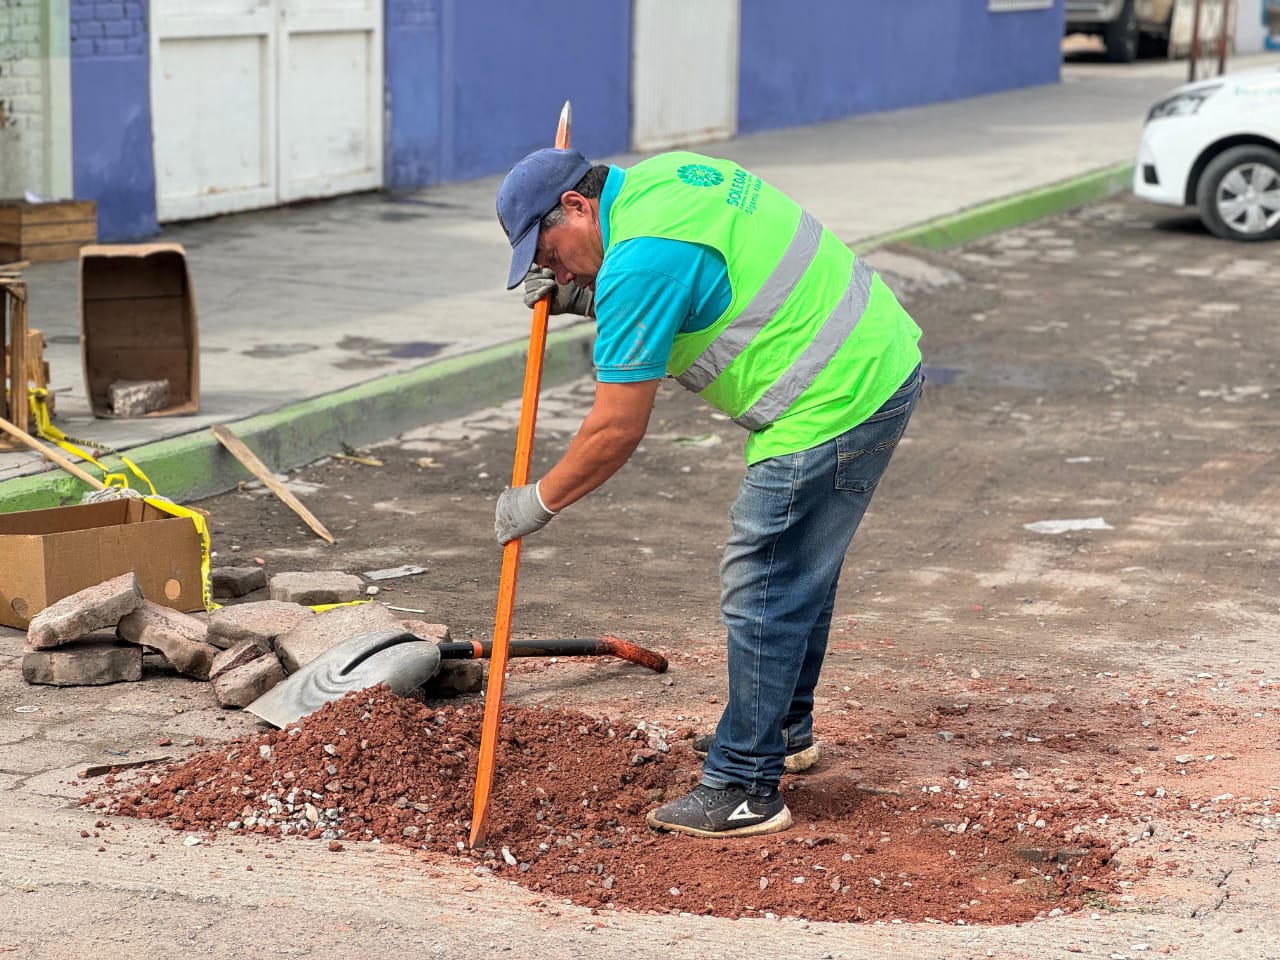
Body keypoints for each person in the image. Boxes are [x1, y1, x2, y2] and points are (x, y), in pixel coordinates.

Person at [493, 147, 923, 838]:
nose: (554, 271)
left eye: (549, 252)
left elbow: (614, 429)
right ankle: (779, 729)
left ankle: (745, 788)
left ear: (576, 206)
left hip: (833, 401)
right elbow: (687, 279)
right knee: (798, 573)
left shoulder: (640, 262)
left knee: (764, 581)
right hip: (880, 360)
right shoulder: (667, 178)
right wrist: (589, 291)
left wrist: (537, 501)